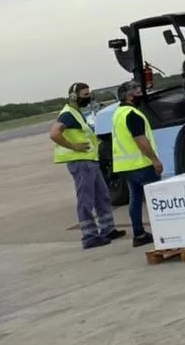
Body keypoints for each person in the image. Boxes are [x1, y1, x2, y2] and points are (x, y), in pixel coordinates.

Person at [49, 82, 123, 249]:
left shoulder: (77, 113)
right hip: (81, 163)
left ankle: (107, 230)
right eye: (85, 95)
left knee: (102, 196)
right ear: (74, 97)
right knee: (86, 200)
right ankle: (89, 236)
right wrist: (73, 147)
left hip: (90, 161)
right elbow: (54, 133)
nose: (88, 97)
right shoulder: (68, 115)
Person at [110, 80, 163, 248]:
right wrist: (155, 159)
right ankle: (165, 231)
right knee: (156, 199)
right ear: (128, 95)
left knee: (135, 198)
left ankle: (139, 234)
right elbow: (140, 139)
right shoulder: (132, 114)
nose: (141, 92)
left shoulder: (118, 113)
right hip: (141, 164)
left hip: (125, 167)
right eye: (137, 90)